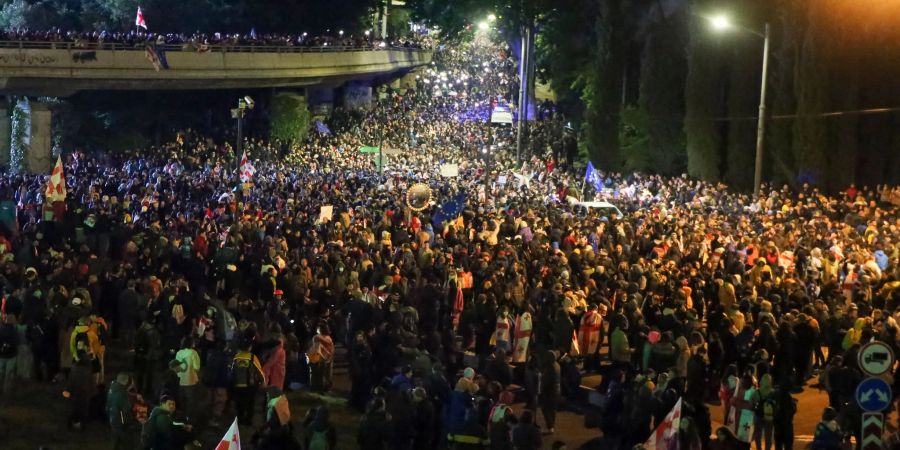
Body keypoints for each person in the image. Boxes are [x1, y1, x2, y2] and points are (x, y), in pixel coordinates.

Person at [231, 341, 266, 426]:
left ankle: (240, 420)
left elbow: (232, 370)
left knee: (239, 404)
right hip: (249, 385)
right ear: (249, 347)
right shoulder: (252, 357)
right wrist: (262, 380)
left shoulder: (236, 357)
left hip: (238, 384)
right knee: (250, 404)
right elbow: (259, 371)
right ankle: (248, 421)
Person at [107, 372, 136, 450]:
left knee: (116, 439)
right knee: (126, 441)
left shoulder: (113, 388)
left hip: (113, 417)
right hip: (121, 419)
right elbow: (125, 408)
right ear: (126, 381)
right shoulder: (121, 393)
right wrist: (129, 421)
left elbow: (109, 403)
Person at [307, 324, 334, 393]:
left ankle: (318, 388)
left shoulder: (317, 338)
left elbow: (313, 346)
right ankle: (326, 388)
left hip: (319, 358)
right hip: (327, 358)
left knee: (318, 375)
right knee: (326, 375)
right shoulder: (329, 338)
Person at [0, 313, 18, 396]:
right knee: (8, 374)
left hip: (2, 354)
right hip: (11, 355)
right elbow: (16, 342)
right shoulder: (14, 331)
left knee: (1, 372)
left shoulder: (1, 329)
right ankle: (6, 391)